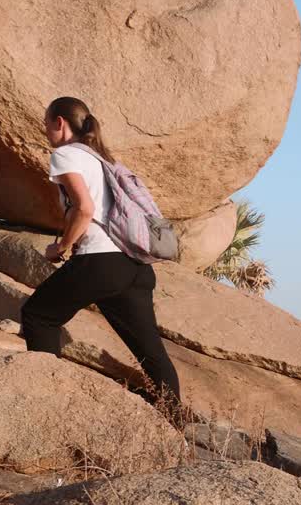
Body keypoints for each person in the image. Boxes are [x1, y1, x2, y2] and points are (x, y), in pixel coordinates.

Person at [20, 96, 182, 407]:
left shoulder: (65, 155)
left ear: (59, 123)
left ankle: (43, 406)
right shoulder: (103, 159)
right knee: (151, 352)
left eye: (46, 124)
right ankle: (174, 425)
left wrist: (61, 247)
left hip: (99, 261)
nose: (45, 131)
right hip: (133, 265)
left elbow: (84, 208)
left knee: (38, 316)